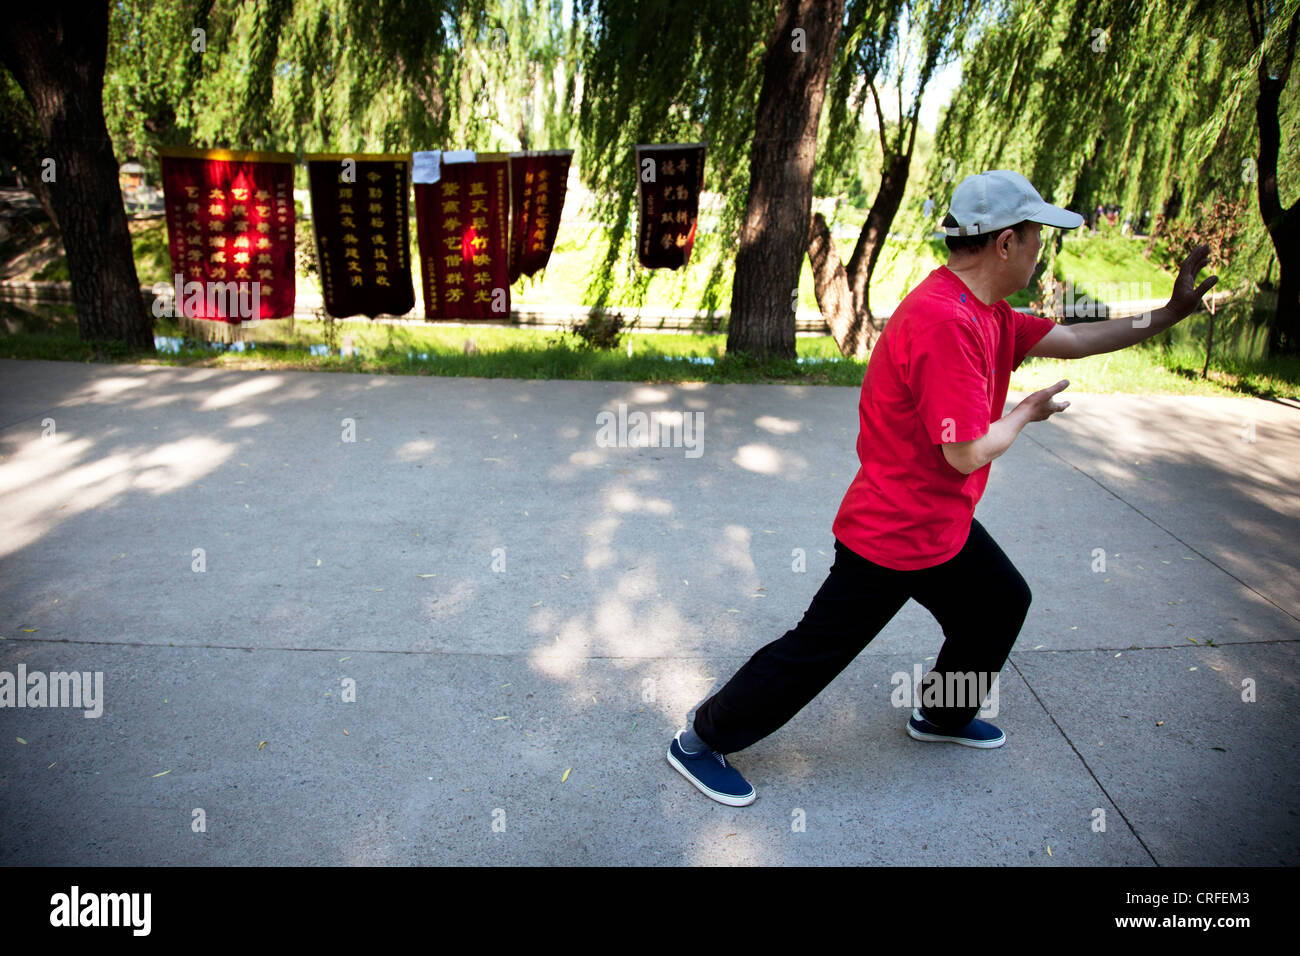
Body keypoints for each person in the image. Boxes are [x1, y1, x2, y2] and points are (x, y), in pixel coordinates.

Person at [666, 169, 1217, 806]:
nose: (1042, 251)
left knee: (999, 603)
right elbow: (965, 453)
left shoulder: (988, 313)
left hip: (941, 528)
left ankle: (940, 716)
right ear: (1006, 243)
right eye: (1038, 237)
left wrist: (1169, 313)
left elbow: (1076, 338)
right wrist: (1024, 414)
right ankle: (700, 741)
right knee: (813, 654)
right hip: (892, 535)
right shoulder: (945, 321)